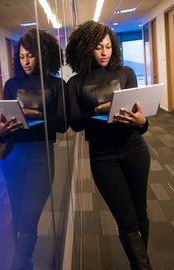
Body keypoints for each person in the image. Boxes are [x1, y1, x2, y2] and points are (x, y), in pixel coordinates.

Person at [65, 20, 152, 269]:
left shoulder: (126, 73)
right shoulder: (76, 83)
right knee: (126, 220)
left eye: (108, 46)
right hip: (103, 157)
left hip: (134, 149)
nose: (105, 52)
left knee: (141, 213)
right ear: (85, 49)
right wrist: (98, 110)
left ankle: (138, 265)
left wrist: (142, 120)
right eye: (98, 47)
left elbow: (141, 125)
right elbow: (75, 123)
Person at [0, 28, 67, 270]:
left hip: (41, 156)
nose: (26, 61)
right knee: (18, 216)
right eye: (22, 56)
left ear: (43, 55)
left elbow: (63, 124)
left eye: (31, 55)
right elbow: (2, 130)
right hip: (13, 155)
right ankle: (24, 263)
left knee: (29, 216)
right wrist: (1, 132)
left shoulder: (56, 85)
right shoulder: (11, 84)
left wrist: (37, 114)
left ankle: (19, 264)